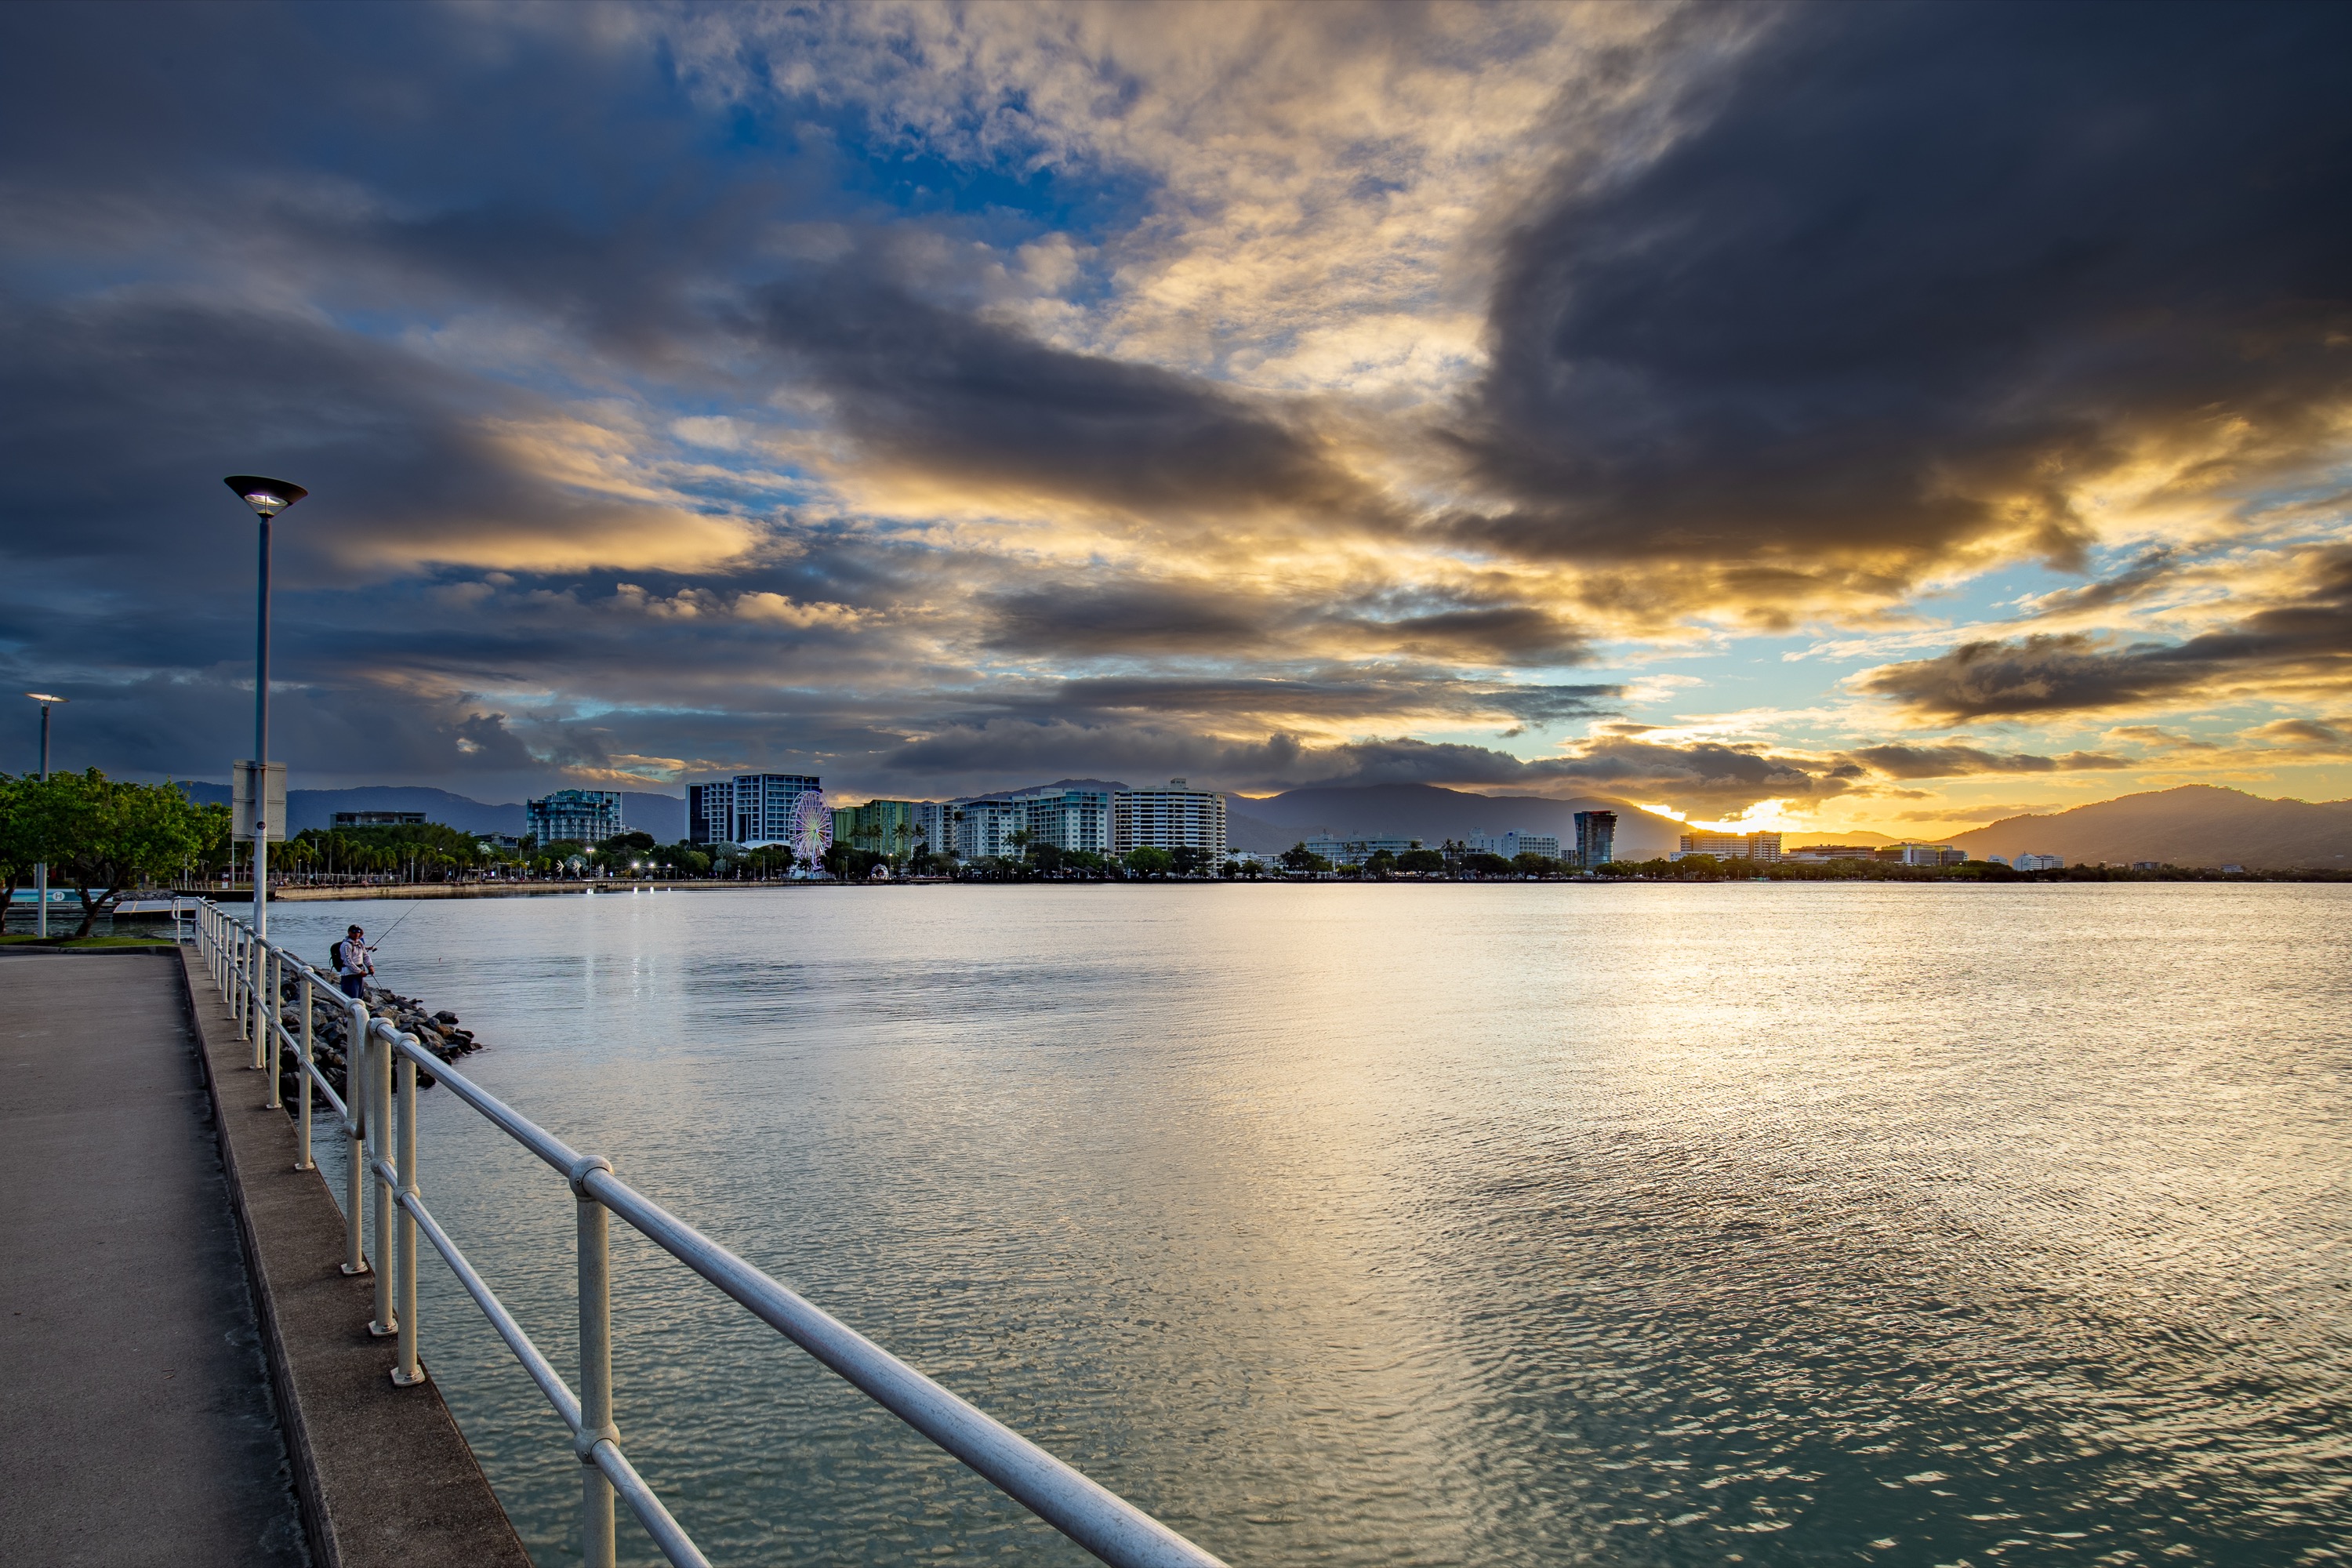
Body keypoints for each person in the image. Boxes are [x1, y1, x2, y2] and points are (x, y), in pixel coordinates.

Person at [336, 924, 373, 1000]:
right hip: (349, 975)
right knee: (351, 998)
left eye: (358, 932)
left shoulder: (359, 943)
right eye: (354, 932)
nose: (356, 933)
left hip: (359, 974)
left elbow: (365, 956)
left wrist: (370, 966)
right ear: (349, 933)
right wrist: (359, 972)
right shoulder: (346, 945)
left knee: (359, 997)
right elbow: (348, 961)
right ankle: (348, 1011)